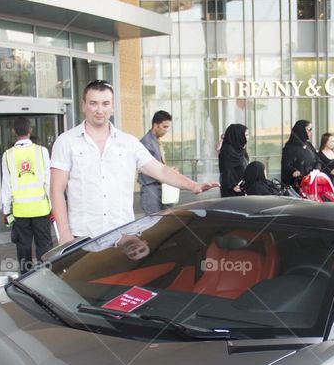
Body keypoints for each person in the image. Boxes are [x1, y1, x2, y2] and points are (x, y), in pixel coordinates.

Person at [50, 80, 217, 245]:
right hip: (82, 238)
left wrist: (193, 185)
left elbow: (160, 171)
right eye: (93, 103)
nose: (99, 110)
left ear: (113, 107)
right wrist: (64, 234)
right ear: (83, 105)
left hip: (123, 237)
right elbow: (56, 190)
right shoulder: (66, 142)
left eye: (105, 103)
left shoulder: (129, 143)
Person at [0, 116, 52, 273]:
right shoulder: (42, 151)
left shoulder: (7, 155)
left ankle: (26, 279)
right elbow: (48, 181)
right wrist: (53, 207)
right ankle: (46, 276)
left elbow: (6, 185)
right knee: (44, 245)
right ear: (30, 130)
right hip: (41, 208)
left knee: (23, 247)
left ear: (13, 131)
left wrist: (6, 210)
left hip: (20, 210)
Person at [138, 110, 173, 215]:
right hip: (151, 188)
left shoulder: (156, 141)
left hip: (160, 186)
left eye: (168, 127)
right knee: (153, 223)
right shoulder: (147, 143)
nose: (167, 130)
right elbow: (152, 168)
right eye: (164, 127)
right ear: (156, 125)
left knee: (164, 222)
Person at [281, 120, 319, 190]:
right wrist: (294, 171)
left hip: (312, 183)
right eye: (309, 130)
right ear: (301, 130)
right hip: (298, 186)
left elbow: (318, 160)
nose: (311, 132)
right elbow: (286, 166)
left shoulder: (309, 145)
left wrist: (315, 172)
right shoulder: (289, 148)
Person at [219, 123, 249, 197]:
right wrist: (233, 185)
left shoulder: (240, 149)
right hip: (233, 190)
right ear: (238, 135)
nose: (248, 137)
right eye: (246, 135)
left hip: (242, 187)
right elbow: (227, 170)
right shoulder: (227, 151)